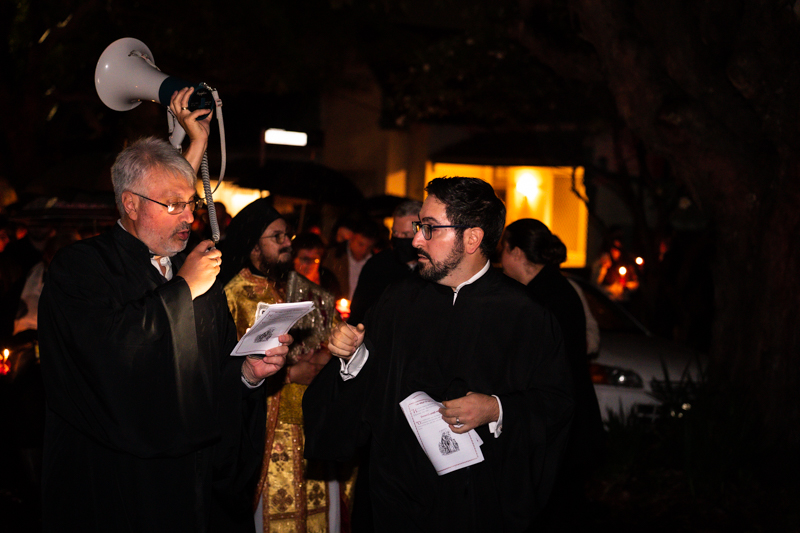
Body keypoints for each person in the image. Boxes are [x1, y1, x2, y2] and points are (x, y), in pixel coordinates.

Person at [38, 90, 290, 532]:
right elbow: (110, 354)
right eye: (172, 205)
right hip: (119, 485)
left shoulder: (194, 271)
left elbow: (209, 370)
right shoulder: (81, 269)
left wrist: (248, 374)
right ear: (130, 204)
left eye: (190, 203)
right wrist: (181, 290)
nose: (188, 217)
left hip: (195, 485)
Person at [303, 177, 574, 532]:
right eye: (418, 227)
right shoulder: (398, 300)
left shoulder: (526, 316)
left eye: (429, 228)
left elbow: (556, 405)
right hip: (396, 500)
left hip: (475, 504)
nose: (416, 240)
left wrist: (495, 408)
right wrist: (350, 357)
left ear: (472, 238)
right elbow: (371, 393)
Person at [221, 198, 350, 532]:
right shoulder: (232, 296)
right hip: (264, 432)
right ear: (253, 247)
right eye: (276, 237)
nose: (286, 244)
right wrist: (292, 373)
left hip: (301, 424)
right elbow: (225, 373)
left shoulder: (281, 290)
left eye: (287, 236)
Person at [500, 219, 605, 531]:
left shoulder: (541, 297)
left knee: (553, 513)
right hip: (568, 423)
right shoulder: (555, 288)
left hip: (559, 426)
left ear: (516, 252)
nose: (499, 259)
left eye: (503, 250)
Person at [348, 199, 422, 326]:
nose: (399, 239)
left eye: (405, 235)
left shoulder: (434, 269)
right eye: (395, 233)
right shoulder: (378, 266)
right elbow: (358, 315)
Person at [322, 218, 383, 300]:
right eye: (360, 244)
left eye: (369, 247)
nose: (364, 250)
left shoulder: (376, 264)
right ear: (351, 237)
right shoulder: (334, 257)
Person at [292, 231, 341, 296]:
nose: (310, 264)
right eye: (305, 259)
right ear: (293, 259)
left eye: (314, 259)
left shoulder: (328, 280)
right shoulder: (285, 280)